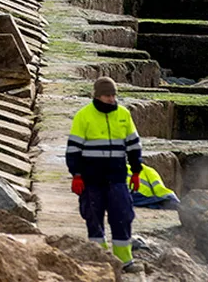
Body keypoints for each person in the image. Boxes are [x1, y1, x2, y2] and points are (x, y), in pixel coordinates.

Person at [66, 77, 143, 270]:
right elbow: (73, 150)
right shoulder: (83, 116)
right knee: (93, 219)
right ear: (98, 96)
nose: (111, 99)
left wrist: (136, 171)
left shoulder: (124, 114)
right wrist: (76, 175)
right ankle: (100, 261)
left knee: (123, 216)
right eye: (107, 95)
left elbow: (134, 146)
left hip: (117, 178)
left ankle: (125, 261)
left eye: (113, 95)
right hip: (91, 179)